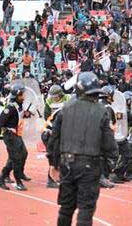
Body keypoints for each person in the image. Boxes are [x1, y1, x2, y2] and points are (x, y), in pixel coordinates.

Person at [46, 72, 118, 226]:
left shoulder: (65, 108)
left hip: (67, 164)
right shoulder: (101, 111)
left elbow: (54, 139)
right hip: (90, 165)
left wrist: (53, 163)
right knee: (86, 210)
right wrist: (109, 165)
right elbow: (109, 144)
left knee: (66, 208)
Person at [0, 83, 31, 191]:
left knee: (23, 153)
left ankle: (5, 177)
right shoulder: (10, 107)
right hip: (10, 136)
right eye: (22, 95)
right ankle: (17, 182)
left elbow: (16, 118)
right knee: (16, 159)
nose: (23, 97)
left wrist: (26, 114)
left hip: (16, 135)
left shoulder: (18, 106)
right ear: (17, 95)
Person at [42, 84, 70, 188]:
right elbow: (47, 116)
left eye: (55, 96)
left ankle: (61, 177)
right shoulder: (49, 102)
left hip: (63, 131)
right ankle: (51, 179)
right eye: (52, 96)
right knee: (54, 156)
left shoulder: (68, 98)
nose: (54, 98)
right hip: (52, 131)